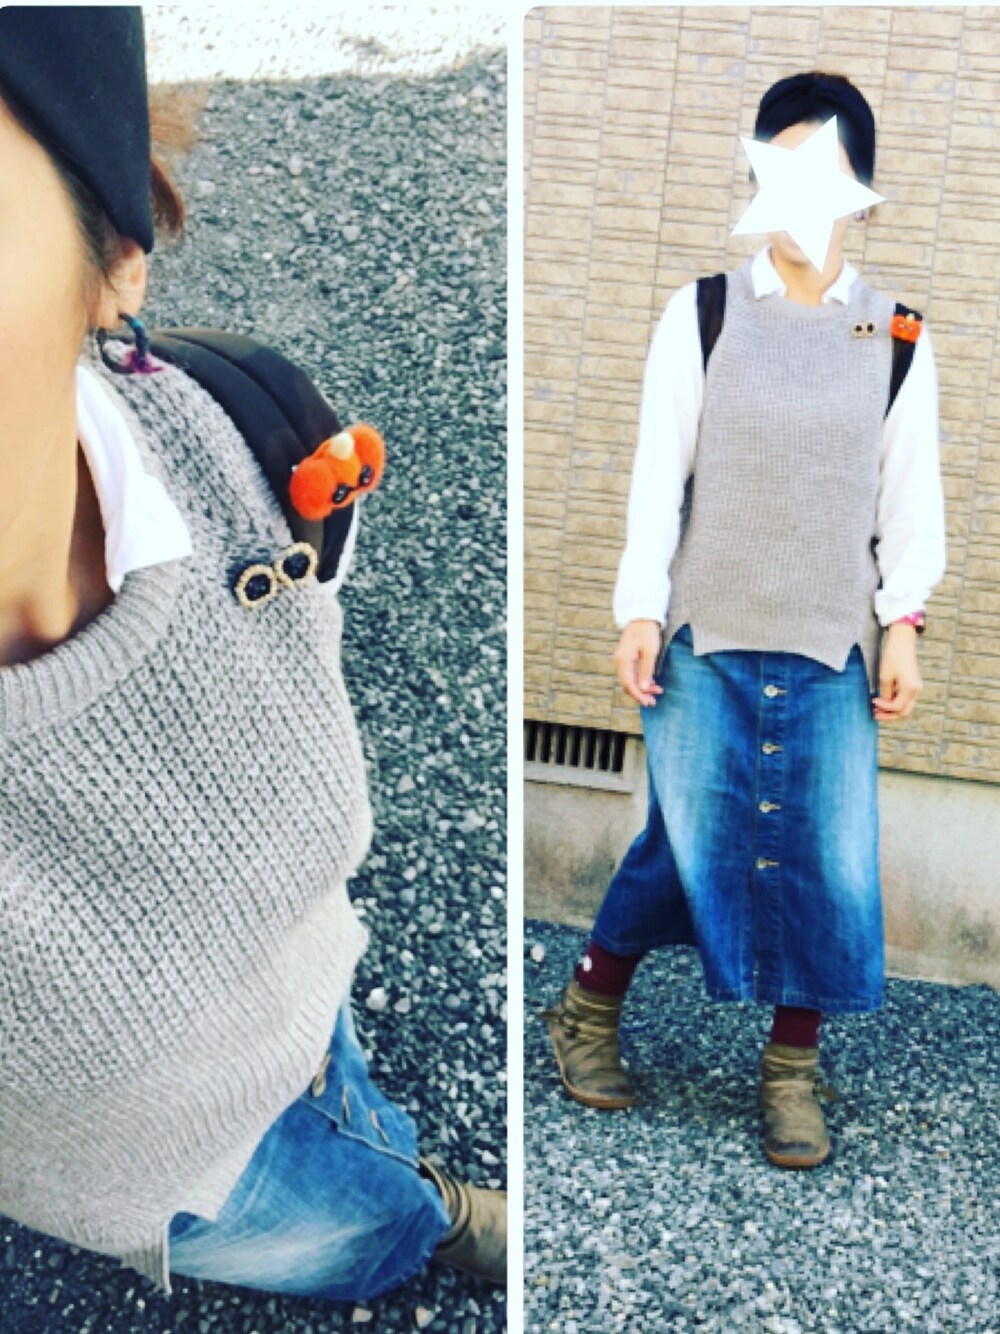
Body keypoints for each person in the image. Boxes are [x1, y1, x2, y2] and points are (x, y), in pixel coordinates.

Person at [0, 7, 504, 1300]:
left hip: (302, 991)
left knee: (344, 1105)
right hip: (166, 1186)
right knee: (358, 1226)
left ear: (115, 255)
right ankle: (423, 1222)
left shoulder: (246, 443)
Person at [543, 71, 946, 1171]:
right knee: (687, 841)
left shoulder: (898, 332)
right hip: (704, 635)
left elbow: (908, 499)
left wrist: (903, 625)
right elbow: (656, 475)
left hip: (832, 644)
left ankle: (790, 1072)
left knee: (828, 855)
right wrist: (638, 605)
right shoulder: (705, 311)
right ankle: (587, 1008)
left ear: (862, 189)